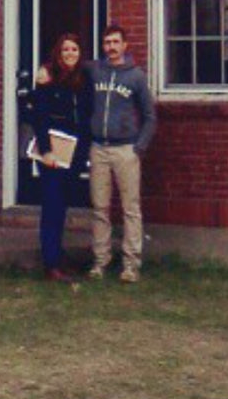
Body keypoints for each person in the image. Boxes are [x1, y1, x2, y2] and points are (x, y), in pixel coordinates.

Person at [86, 24, 155, 283]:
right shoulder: (94, 71)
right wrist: (45, 70)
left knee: (130, 208)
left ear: (125, 45)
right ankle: (100, 260)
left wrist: (140, 146)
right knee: (100, 207)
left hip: (126, 149)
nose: (111, 47)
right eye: (107, 43)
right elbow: (67, 66)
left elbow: (149, 116)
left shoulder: (136, 76)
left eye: (116, 42)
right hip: (99, 148)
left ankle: (131, 264)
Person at [31, 32, 92, 282]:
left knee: (63, 206)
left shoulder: (84, 79)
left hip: (75, 154)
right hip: (53, 153)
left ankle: (57, 257)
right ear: (58, 52)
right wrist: (46, 151)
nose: (70, 54)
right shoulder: (48, 78)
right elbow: (39, 117)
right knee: (52, 208)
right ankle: (51, 265)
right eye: (65, 49)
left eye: (74, 49)